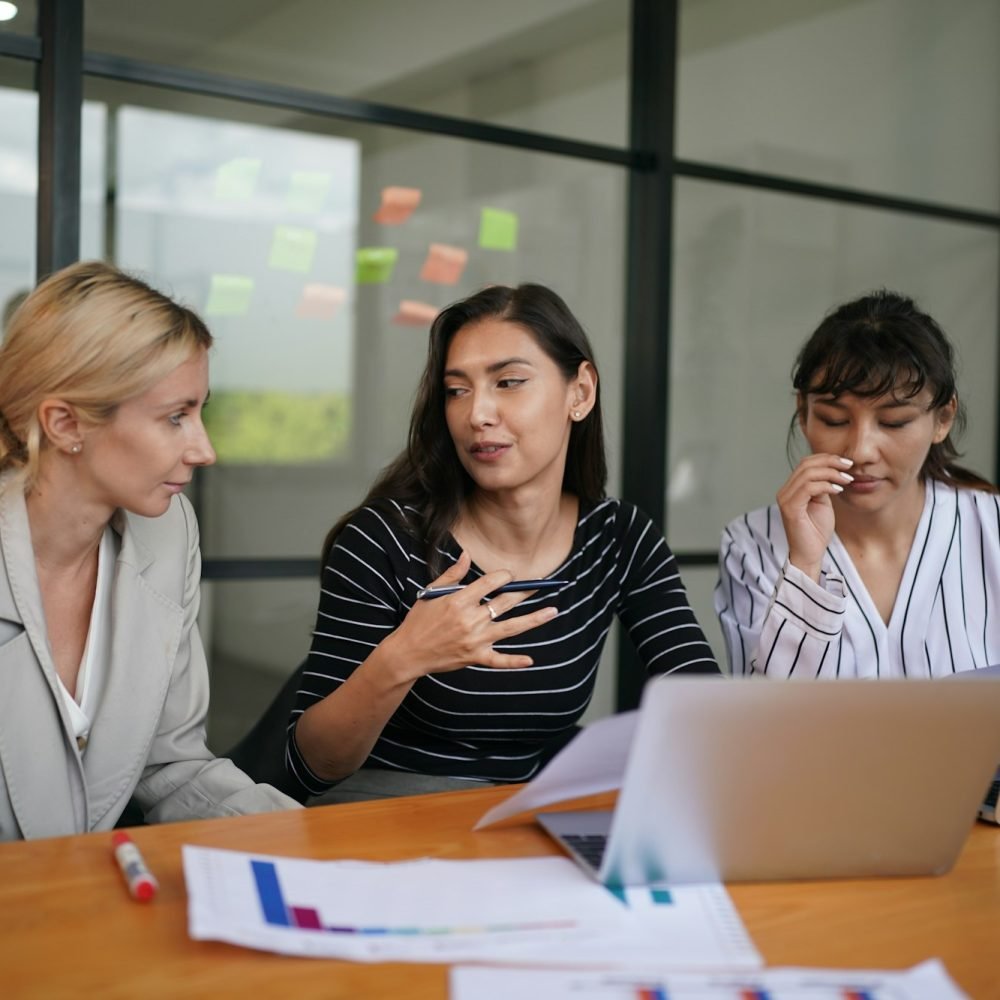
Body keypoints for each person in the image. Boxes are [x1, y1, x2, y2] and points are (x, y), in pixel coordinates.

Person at [287, 283, 718, 801]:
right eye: (457, 390)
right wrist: (404, 656)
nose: (477, 414)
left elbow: (704, 709)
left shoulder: (619, 538)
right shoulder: (385, 541)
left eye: (509, 382)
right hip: (383, 814)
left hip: (518, 819)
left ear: (580, 392)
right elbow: (307, 767)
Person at [0, 260, 300, 841]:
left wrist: (308, 844)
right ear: (65, 424)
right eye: (175, 417)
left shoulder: (168, 533)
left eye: (200, 411)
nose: (204, 450)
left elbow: (172, 767)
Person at [715, 289, 1000, 678]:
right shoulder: (753, 545)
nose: (861, 449)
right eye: (834, 419)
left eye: (894, 422)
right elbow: (760, 719)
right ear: (803, 413)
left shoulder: (991, 529)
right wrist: (805, 566)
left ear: (943, 419)